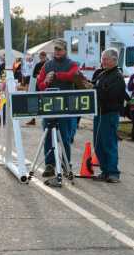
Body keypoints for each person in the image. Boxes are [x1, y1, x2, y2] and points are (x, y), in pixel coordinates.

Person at [37, 38, 78, 179]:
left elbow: (73, 75)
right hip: (49, 106)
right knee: (48, 136)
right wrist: (46, 81)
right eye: (56, 49)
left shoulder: (72, 64)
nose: (57, 52)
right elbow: (40, 84)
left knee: (65, 137)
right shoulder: (47, 65)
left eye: (60, 49)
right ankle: (50, 165)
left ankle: (66, 164)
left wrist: (57, 75)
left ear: (65, 50)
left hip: (66, 106)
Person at [91, 48, 126, 183]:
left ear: (114, 60)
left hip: (109, 114)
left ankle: (113, 173)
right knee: (98, 144)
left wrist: (95, 90)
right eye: (102, 58)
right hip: (98, 113)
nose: (103, 61)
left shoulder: (117, 76)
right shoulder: (102, 74)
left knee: (109, 143)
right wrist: (89, 85)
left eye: (105, 59)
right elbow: (96, 86)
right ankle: (105, 171)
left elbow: (112, 95)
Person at [26, 51, 48, 126]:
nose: (42, 58)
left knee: (46, 102)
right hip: (38, 85)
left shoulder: (49, 64)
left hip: (47, 86)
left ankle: (47, 119)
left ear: (45, 57)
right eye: (41, 57)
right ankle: (33, 119)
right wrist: (38, 76)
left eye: (43, 57)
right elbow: (34, 75)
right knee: (36, 102)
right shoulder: (38, 65)